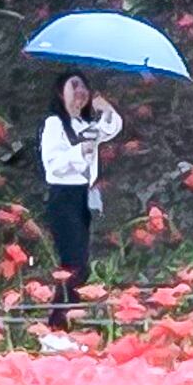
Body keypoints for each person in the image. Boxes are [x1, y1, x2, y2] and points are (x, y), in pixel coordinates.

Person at [37, 73, 123, 329]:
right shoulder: (54, 124)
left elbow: (111, 127)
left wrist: (104, 107)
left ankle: (63, 320)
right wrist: (80, 151)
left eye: (83, 86)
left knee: (80, 263)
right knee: (73, 263)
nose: (80, 92)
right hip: (63, 195)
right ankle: (57, 323)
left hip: (82, 196)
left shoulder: (84, 124)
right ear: (59, 92)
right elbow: (52, 164)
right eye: (73, 86)